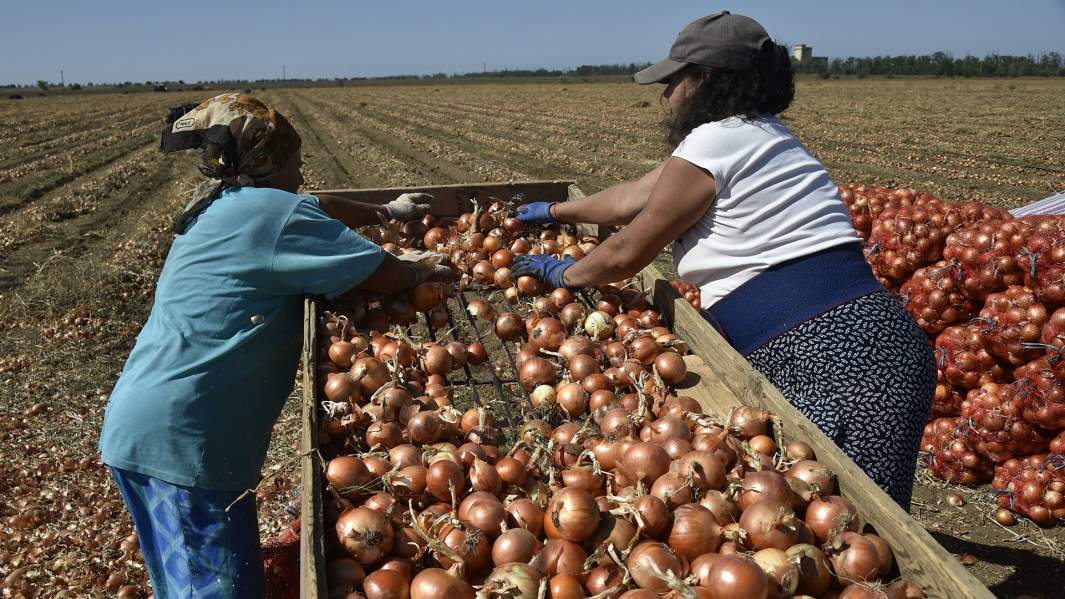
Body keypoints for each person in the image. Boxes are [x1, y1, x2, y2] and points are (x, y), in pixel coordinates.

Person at [512, 12, 935, 507]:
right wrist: (558, 210)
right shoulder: (755, 135)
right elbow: (633, 197)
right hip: (864, 345)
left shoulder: (718, 141)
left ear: (705, 81)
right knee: (830, 507)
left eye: (673, 81)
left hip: (837, 355)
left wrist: (566, 273)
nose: (665, 95)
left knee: (855, 528)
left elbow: (628, 249)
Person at [99, 93, 449, 598]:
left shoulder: (228, 202)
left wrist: (382, 211)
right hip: (185, 438)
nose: (302, 176)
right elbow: (385, 273)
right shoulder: (273, 217)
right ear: (269, 161)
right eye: (297, 164)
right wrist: (417, 268)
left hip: (153, 421)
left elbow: (316, 206)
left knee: (187, 582)